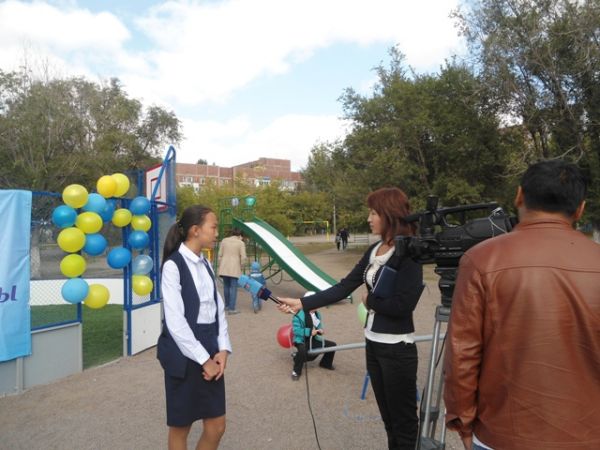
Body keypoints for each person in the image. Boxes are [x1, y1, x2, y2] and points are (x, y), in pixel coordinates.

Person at [444, 160, 600, 450]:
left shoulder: (481, 259)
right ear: (580, 208)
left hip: (502, 435)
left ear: (519, 196)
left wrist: (462, 420)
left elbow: (462, 352)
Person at [278, 187, 424, 450]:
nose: (369, 218)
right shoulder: (375, 249)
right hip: (373, 343)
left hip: (397, 349)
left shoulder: (409, 252)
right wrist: (302, 304)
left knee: (404, 424)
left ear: (389, 214)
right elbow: (344, 286)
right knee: (388, 421)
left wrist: (370, 301)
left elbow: (404, 305)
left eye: (373, 213)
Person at [156, 205, 232, 450]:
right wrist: (204, 360)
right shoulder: (173, 266)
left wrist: (223, 349)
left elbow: (218, 308)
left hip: (210, 345)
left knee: (216, 426)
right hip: (183, 352)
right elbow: (175, 322)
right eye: (214, 227)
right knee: (181, 427)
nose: (217, 233)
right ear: (195, 230)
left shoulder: (206, 263)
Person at [291, 305, 336, 381]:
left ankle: (325, 364)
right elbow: (296, 331)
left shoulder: (317, 314)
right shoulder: (298, 316)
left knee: (332, 345)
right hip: (301, 340)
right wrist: (309, 332)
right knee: (303, 351)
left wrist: (320, 330)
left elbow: (318, 325)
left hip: (313, 339)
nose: (317, 306)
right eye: (314, 304)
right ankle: (296, 371)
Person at [217, 228, 246, 315]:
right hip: (235, 268)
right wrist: (241, 266)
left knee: (226, 286)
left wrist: (221, 264)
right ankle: (232, 309)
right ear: (240, 235)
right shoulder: (240, 243)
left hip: (224, 267)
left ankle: (227, 306)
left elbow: (219, 255)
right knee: (233, 288)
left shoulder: (224, 241)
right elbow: (243, 257)